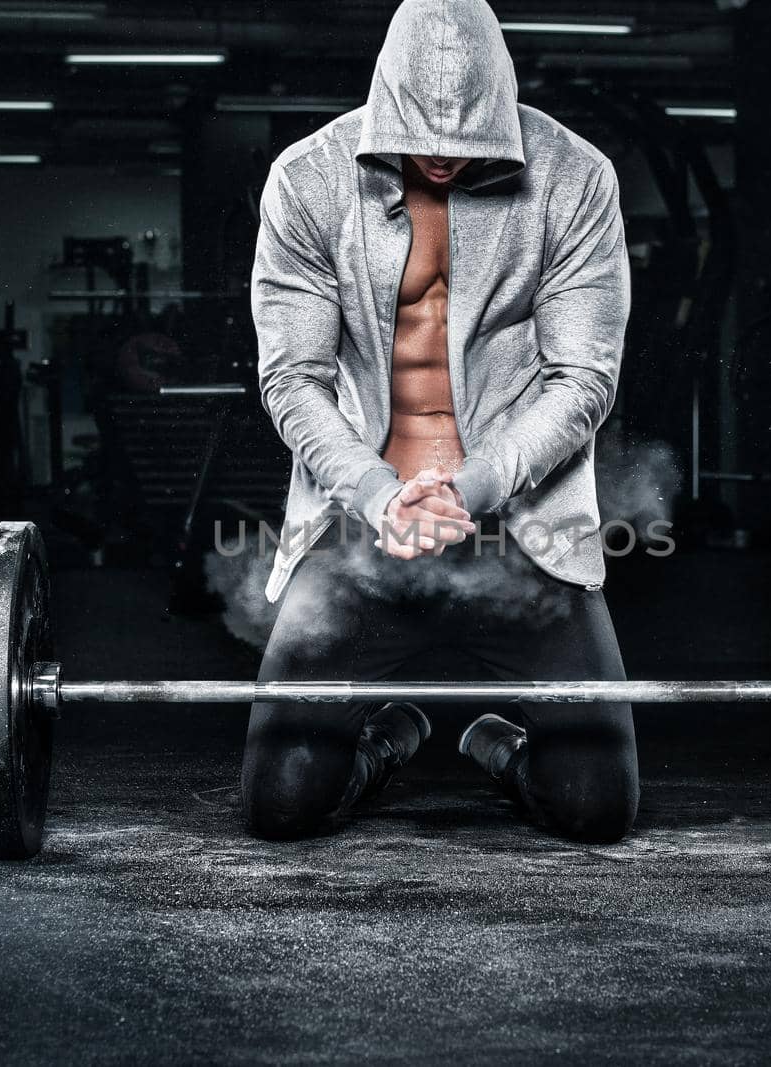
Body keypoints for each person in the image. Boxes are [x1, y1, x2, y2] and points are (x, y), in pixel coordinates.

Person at [242, 0, 636, 843]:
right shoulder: (307, 179)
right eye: (426, 136)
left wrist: (471, 483)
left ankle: (491, 744)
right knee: (280, 805)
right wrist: (383, 494)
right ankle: (392, 737)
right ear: (386, 103)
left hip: (517, 532)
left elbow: (583, 378)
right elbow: (293, 380)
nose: (445, 158)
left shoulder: (574, 176)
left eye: (471, 143)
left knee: (596, 807)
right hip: (360, 530)